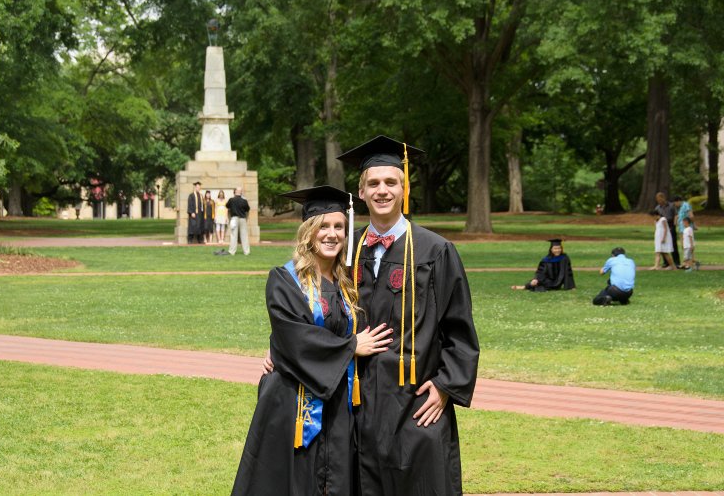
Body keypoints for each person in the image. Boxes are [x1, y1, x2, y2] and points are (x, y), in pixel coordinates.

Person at [337, 136, 479, 495]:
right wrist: (278, 348)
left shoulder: (437, 251)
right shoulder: (344, 249)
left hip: (415, 399)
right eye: (373, 184)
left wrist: (447, 386)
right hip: (355, 397)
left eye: (390, 182)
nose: (382, 190)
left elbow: (459, 328)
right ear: (361, 192)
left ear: (404, 187)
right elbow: (311, 307)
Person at [231, 186, 393, 496]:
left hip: (338, 403)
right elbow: (294, 337)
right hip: (293, 403)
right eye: (323, 226)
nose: (332, 234)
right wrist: (350, 347)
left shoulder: (349, 283)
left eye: (339, 227)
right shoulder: (284, 279)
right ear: (308, 232)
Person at [511, 239, 576, 291]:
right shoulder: (546, 259)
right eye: (555, 248)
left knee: (543, 285)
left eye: (559, 248)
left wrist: (571, 286)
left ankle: (524, 287)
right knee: (537, 282)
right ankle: (524, 286)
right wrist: (536, 278)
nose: (557, 250)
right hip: (548, 280)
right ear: (551, 249)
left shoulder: (564, 258)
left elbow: (568, 272)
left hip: (558, 281)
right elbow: (541, 271)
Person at [655, 192, 680, 267]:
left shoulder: (671, 206)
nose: (659, 201)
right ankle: (666, 262)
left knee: (673, 244)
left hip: (670, 224)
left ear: (663, 198)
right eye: (658, 200)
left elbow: (676, 215)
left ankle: (676, 262)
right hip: (662, 225)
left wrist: (675, 223)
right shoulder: (657, 208)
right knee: (662, 245)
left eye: (660, 199)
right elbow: (656, 218)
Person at [226, 187, 251, 255]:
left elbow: (227, 206)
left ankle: (232, 251)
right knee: (244, 236)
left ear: (235, 192)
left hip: (234, 218)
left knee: (234, 235)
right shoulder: (244, 201)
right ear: (241, 192)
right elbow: (247, 209)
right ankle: (246, 251)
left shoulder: (231, 200)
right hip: (242, 218)